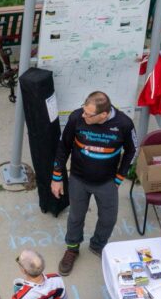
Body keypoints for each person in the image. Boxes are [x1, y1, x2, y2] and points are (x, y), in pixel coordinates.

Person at [50, 91, 136, 276]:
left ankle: (98, 245)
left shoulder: (124, 124)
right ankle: (72, 248)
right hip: (78, 179)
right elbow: (63, 146)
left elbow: (132, 151)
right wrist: (56, 177)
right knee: (75, 217)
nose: (83, 116)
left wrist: (119, 178)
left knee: (108, 219)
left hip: (107, 183)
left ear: (103, 115)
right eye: (83, 110)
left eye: (89, 114)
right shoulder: (76, 118)